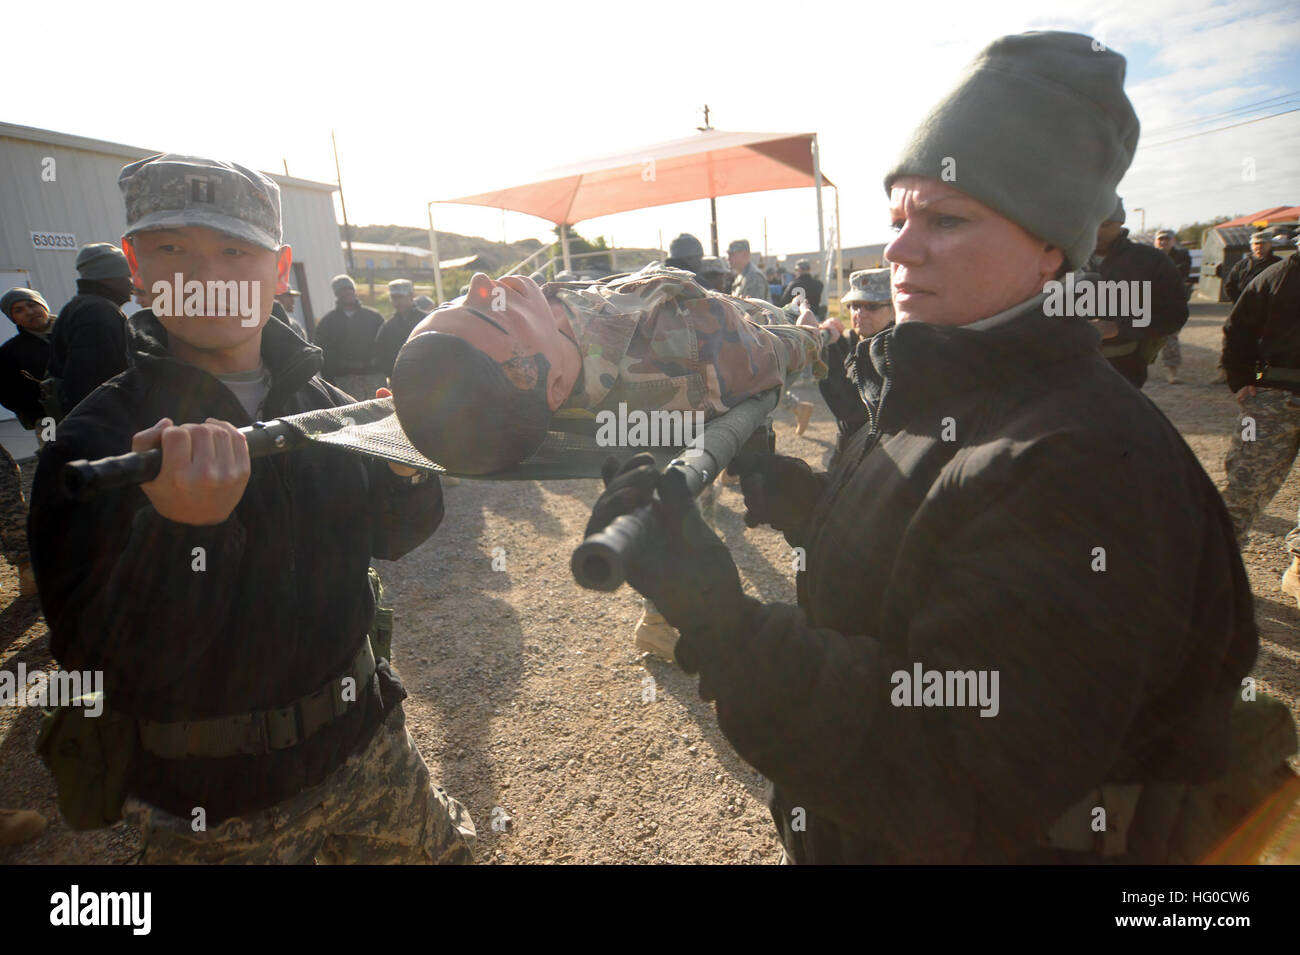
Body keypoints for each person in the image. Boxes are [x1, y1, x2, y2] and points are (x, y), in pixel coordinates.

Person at [584, 31, 1262, 864]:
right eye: (898, 217)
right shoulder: (950, 376)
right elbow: (942, 537)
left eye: (947, 219)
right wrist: (805, 501)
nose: (899, 252)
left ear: (1052, 245)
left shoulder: (1080, 463)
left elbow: (956, 767)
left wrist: (725, 624)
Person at [29, 153, 475, 865]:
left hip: (368, 746)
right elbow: (101, 660)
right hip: (213, 804)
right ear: (136, 267)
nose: (205, 278)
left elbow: (394, 538)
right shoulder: (95, 446)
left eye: (234, 250)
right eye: (173, 248)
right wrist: (182, 537)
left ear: (278, 270)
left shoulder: (322, 401)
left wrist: (405, 468)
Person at [390, 266, 839, 476]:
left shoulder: (543, 336)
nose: (479, 285)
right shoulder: (685, 359)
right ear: (558, 385)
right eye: (490, 314)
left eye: (454, 302)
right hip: (767, 320)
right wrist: (816, 334)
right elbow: (775, 352)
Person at [1219, 249, 1300, 607]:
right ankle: (1217, 570)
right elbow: (1238, 330)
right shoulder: (1274, 278)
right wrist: (1240, 380)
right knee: (1244, 484)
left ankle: (1298, 569)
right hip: (1273, 399)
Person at [1089, 199, 1189, 388]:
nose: (1096, 232)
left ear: (1121, 223)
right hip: (1065, 366)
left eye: (1105, 225)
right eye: (1089, 224)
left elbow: (1174, 315)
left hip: (1124, 366)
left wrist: (1119, 327)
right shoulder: (1059, 257)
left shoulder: (1151, 261)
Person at [45, 243, 134, 419]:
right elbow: (87, 381)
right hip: (102, 420)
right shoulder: (98, 313)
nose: (133, 283)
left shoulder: (80, 306)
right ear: (107, 278)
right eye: (128, 276)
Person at [819, 269, 891, 461]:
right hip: (854, 451)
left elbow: (849, 408)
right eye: (855, 305)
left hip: (876, 460)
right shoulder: (865, 340)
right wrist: (840, 341)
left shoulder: (891, 352)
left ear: (894, 309)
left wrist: (830, 349)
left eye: (872, 306)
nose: (861, 314)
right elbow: (855, 364)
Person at [312, 274, 384, 397]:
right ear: (337, 294)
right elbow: (324, 352)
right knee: (354, 414)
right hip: (345, 380)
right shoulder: (327, 322)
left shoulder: (374, 317)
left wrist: (378, 364)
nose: (347, 292)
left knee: (382, 412)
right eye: (342, 290)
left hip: (374, 376)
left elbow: (385, 344)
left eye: (350, 289)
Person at [0, 288, 54, 430]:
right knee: (55, 450)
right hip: (47, 421)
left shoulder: (76, 332)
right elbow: (8, 394)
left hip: (95, 410)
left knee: (107, 450)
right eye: (19, 310)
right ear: (14, 319)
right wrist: (40, 412)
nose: (29, 312)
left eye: (32, 305)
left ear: (43, 305)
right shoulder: (9, 352)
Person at [1153, 229, 1191, 383]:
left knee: (1171, 338)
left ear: (1173, 241)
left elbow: (1179, 275)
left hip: (1170, 304)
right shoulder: (1146, 256)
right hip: (1148, 301)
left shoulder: (1181, 256)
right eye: (1160, 239)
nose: (1163, 242)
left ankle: (1172, 373)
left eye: (1166, 239)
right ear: (1155, 241)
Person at [373, 279, 425, 382]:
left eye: (401, 297)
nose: (398, 301)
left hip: (426, 376)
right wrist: (391, 373)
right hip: (399, 379)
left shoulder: (425, 320)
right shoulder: (388, 326)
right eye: (394, 297)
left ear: (411, 296)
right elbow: (380, 354)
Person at [1223, 232, 1280, 303]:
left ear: (1270, 244)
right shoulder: (1242, 265)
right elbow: (1229, 286)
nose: (1259, 246)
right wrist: (1238, 302)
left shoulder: (1278, 264)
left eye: (1263, 243)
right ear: (1251, 246)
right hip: (1245, 306)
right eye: (1256, 243)